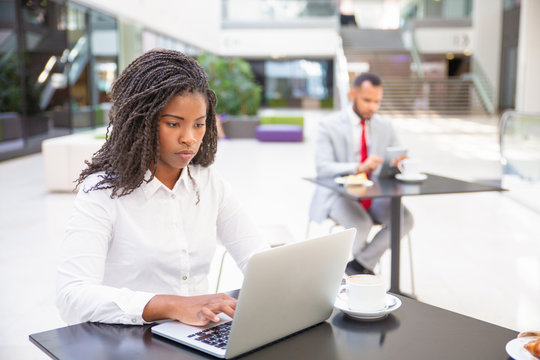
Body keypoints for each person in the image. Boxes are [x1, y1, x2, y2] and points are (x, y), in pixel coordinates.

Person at [56, 49, 268, 326]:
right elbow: (71, 296)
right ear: (141, 123)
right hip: (127, 339)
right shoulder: (101, 192)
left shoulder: (208, 182)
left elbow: (257, 257)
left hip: (196, 335)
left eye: (199, 124)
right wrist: (172, 305)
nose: (190, 139)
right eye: (173, 124)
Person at [309, 72, 413, 276]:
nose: (372, 107)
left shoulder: (385, 125)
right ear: (352, 95)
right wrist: (358, 167)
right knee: (360, 224)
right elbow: (323, 168)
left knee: (405, 218)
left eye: (377, 102)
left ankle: (358, 267)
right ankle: (360, 274)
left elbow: (397, 154)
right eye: (367, 100)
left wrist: (399, 163)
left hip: (372, 194)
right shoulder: (328, 125)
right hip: (338, 194)